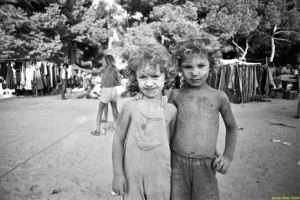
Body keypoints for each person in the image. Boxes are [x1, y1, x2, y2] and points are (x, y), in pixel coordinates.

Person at [168, 36, 238, 200]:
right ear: (179, 68)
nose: (195, 72)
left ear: (211, 66)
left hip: (206, 164)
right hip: (177, 161)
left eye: (201, 65)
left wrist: (227, 156)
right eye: (187, 66)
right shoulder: (176, 95)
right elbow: (167, 127)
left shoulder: (219, 97)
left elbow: (232, 127)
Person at [111, 44, 177, 199]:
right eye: (143, 77)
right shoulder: (130, 107)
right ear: (135, 78)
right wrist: (118, 174)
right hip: (132, 176)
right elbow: (118, 141)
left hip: (161, 176)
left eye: (155, 76)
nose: (148, 83)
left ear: (166, 76)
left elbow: (173, 145)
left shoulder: (171, 111)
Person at [74, 55, 119, 135]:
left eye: (103, 61)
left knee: (99, 112)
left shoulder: (103, 69)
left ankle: (97, 131)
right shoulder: (115, 69)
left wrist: (79, 68)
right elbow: (118, 82)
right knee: (115, 110)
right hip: (113, 90)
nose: (102, 62)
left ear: (107, 61)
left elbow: (92, 72)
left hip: (106, 90)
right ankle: (120, 128)